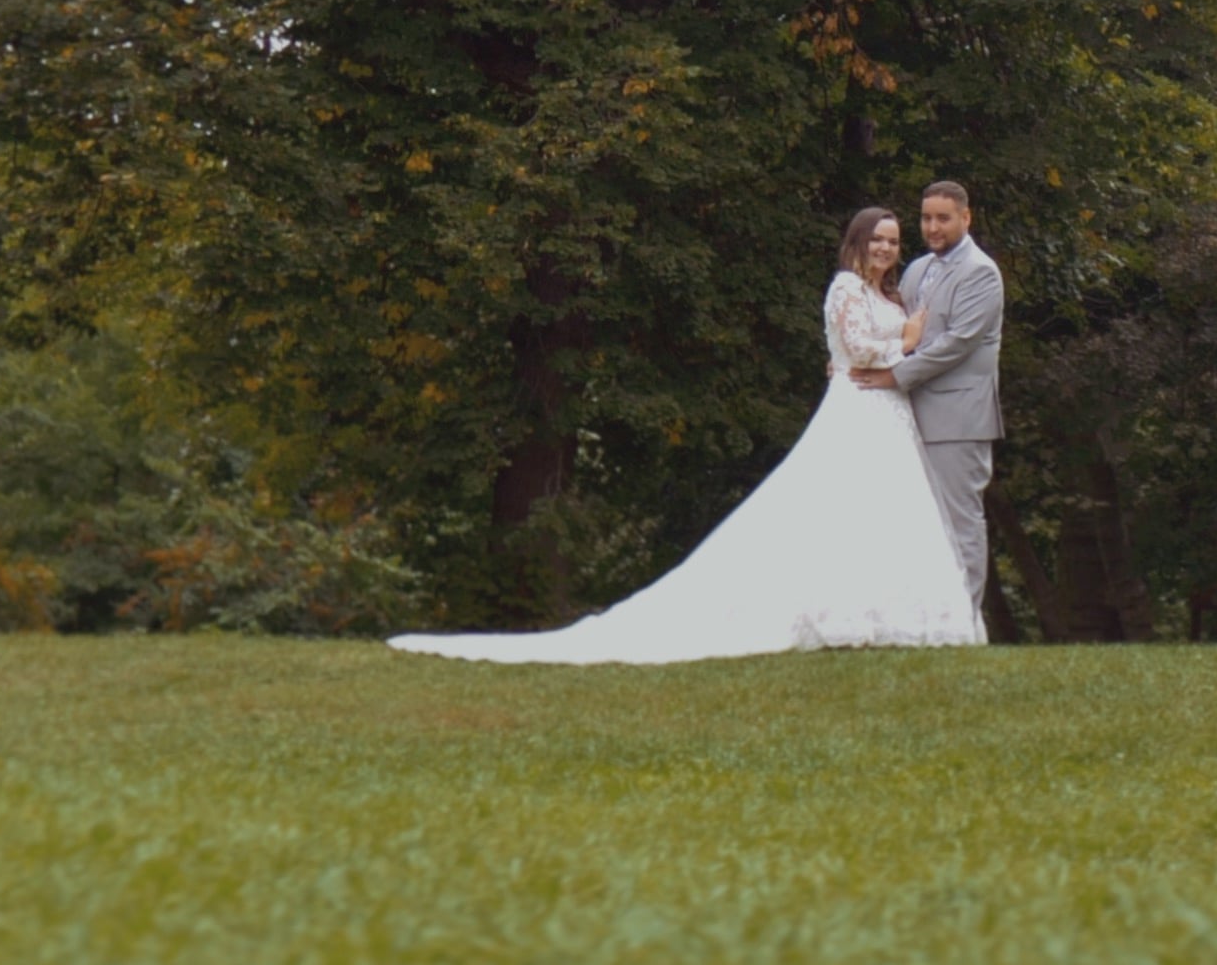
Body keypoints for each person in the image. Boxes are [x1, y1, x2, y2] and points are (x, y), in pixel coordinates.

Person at [386, 205, 985, 663]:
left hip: (888, 412)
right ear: (857, 242)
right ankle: (833, 614)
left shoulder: (891, 293)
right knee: (828, 510)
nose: (886, 248)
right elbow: (853, 347)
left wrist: (899, 344)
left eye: (892, 241)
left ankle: (885, 615)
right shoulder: (846, 288)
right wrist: (902, 342)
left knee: (882, 514)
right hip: (855, 408)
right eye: (876, 239)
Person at [861, 180, 1002, 607]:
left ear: (966, 217)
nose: (933, 227)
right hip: (910, 415)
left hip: (958, 420)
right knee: (917, 525)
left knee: (960, 524)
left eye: (943, 218)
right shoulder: (917, 269)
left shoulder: (981, 272)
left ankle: (964, 623)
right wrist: (857, 358)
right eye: (926, 218)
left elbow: (956, 343)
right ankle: (928, 619)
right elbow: (898, 331)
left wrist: (893, 375)